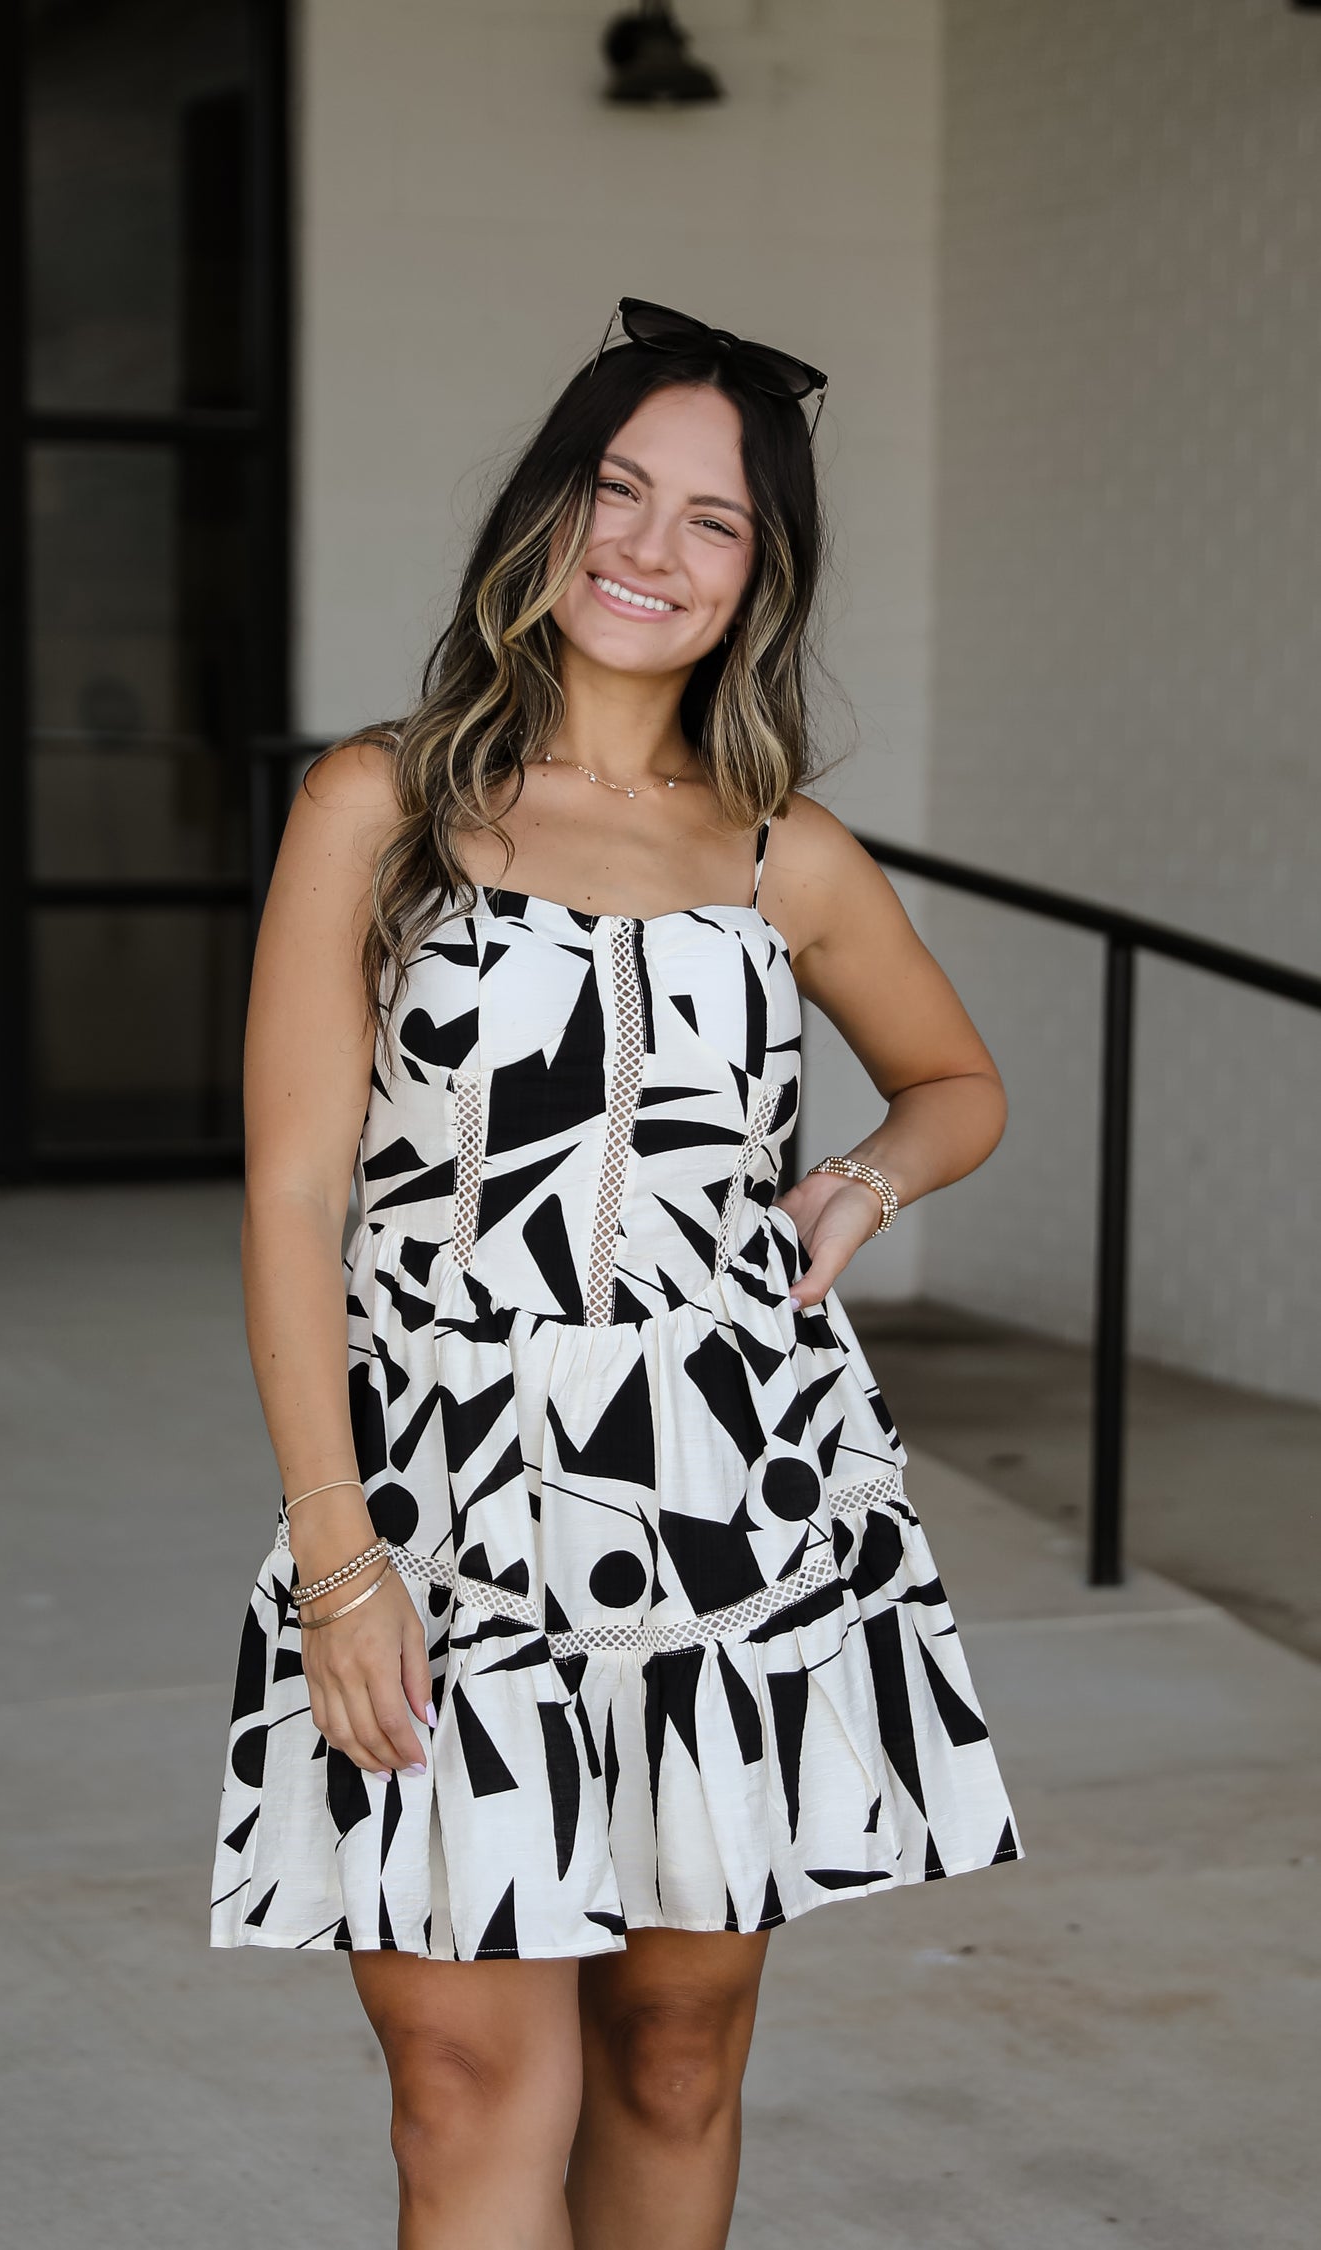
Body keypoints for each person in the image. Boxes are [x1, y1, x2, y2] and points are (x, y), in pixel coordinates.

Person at [211, 297, 1022, 2250]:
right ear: (546, 512)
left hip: (734, 1517)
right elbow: (295, 1196)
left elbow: (957, 1082)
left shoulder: (780, 855)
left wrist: (864, 1182)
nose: (649, 549)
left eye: (713, 522)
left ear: (765, 576)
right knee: (470, 2088)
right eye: (617, 490)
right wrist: (337, 1555)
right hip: (440, 1521)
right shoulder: (377, 801)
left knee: (673, 2055)